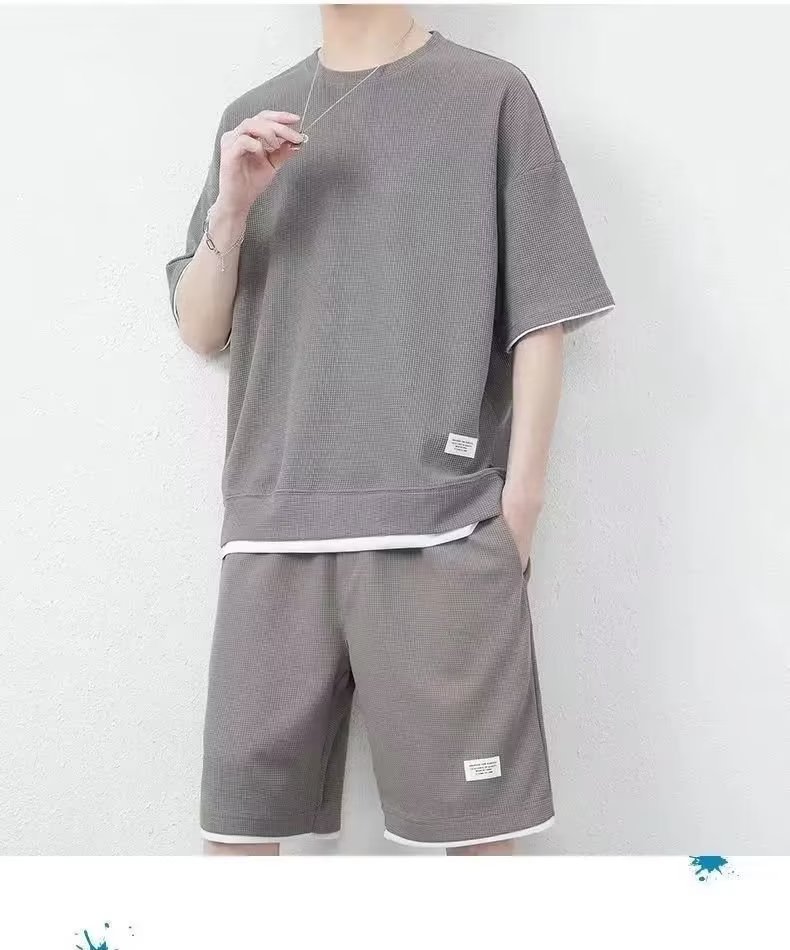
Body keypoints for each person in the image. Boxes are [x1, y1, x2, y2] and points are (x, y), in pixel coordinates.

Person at [164, 4, 614, 856]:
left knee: (480, 845)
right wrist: (231, 210)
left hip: (441, 529)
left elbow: (542, 318)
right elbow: (200, 328)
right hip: (272, 533)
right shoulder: (252, 116)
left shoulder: (489, 96)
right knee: (236, 842)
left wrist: (519, 512)